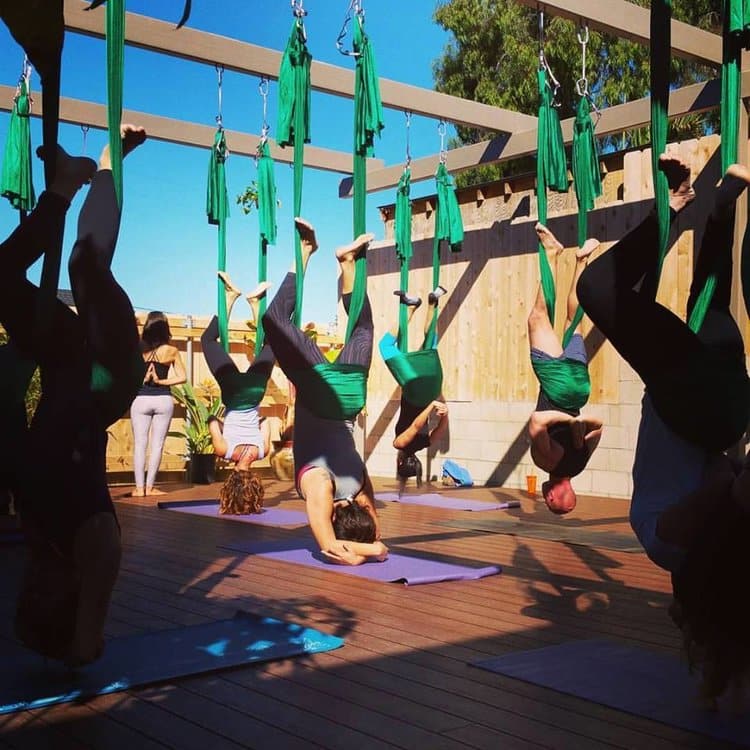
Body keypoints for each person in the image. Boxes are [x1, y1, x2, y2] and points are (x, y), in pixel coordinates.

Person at [577, 154, 750, 707]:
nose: (671, 616)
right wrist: (733, 480)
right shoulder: (670, 543)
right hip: (693, 404)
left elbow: (726, 473)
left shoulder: (711, 544)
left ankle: (723, 205)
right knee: (596, 288)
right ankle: (674, 208)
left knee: (711, 300)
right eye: (684, 618)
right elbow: (719, 487)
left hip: (722, 408)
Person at [0, 126, 147, 666]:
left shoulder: (38, 528)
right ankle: (109, 163)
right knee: (84, 266)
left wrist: (23, 344)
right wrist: (85, 635)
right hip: (107, 374)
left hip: (61, 362)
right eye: (42, 592)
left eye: (28, 590)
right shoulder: (90, 540)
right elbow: (105, 563)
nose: (33, 580)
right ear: (68, 592)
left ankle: (62, 188)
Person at [262, 218, 388, 565]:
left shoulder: (361, 490)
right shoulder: (319, 487)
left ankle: (347, 264)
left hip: (349, 396)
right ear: (335, 518)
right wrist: (364, 550)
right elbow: (331, 547)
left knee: (363, 330)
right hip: (321, 393)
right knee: (274, 319)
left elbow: (379, 543)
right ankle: (305, 252)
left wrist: (374, 546)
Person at [527, 223, 602, 514]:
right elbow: (537, 421)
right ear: (553, 498)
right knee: (537, 318)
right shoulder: (546, 462)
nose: (544, 498)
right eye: (549, 502)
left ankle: (582, 260)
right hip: (558, 388)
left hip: (580, 388)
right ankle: (551, 252)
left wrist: (577, 422)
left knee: (574, 319)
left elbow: (598, 425)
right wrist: (567, 421)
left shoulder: (581, 463)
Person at [201, 273, 273, 515]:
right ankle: (230, 299)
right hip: (232, 391)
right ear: (231, 480)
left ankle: (255, 305)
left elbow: (266, 423)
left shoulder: (262, 451)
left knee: (271, 344)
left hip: (254, 392)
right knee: (208, 340)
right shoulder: (224, 451)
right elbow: (212, 422)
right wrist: (219, 423)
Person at [379, 287, 449, 492]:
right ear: (400, 463)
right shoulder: (400, 444)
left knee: (430, 344)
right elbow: (416, 425)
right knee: (386, 346)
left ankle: (432, 302)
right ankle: (411, 307)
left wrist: (445, 412)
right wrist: (433, 407)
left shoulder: (425, 443)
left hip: (434, 385)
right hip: (416, 390)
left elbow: (441, 429)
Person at [130, 311, 186, 497]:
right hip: (163, 399)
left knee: (140, 444)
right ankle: (150, 487)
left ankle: (139, 489)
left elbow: (126, 373)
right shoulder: (171, 351)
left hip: (140, 399)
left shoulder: (137, 347)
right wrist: (161, 381)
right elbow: (182, 377)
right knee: (157, 445)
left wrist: (143, 378)